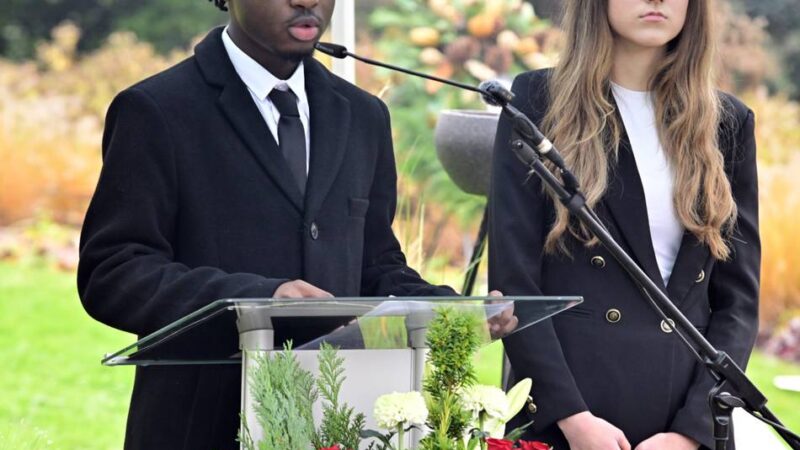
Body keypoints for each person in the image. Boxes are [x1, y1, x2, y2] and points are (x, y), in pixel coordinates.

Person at [77, 0, 460, 448]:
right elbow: (114, 271)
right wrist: (262, 300)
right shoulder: (156, 109)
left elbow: (374, 264)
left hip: (339, 422)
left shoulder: (363, 117)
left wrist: (449, 308)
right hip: (201, 427)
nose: (307, 1)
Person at [488, 0, 759, 449]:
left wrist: (692, 432)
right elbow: (515, 280)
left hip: (684, 423)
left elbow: (738, 301)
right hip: (569, 419)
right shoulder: (536, 101)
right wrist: (573, 420)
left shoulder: (726, 122)